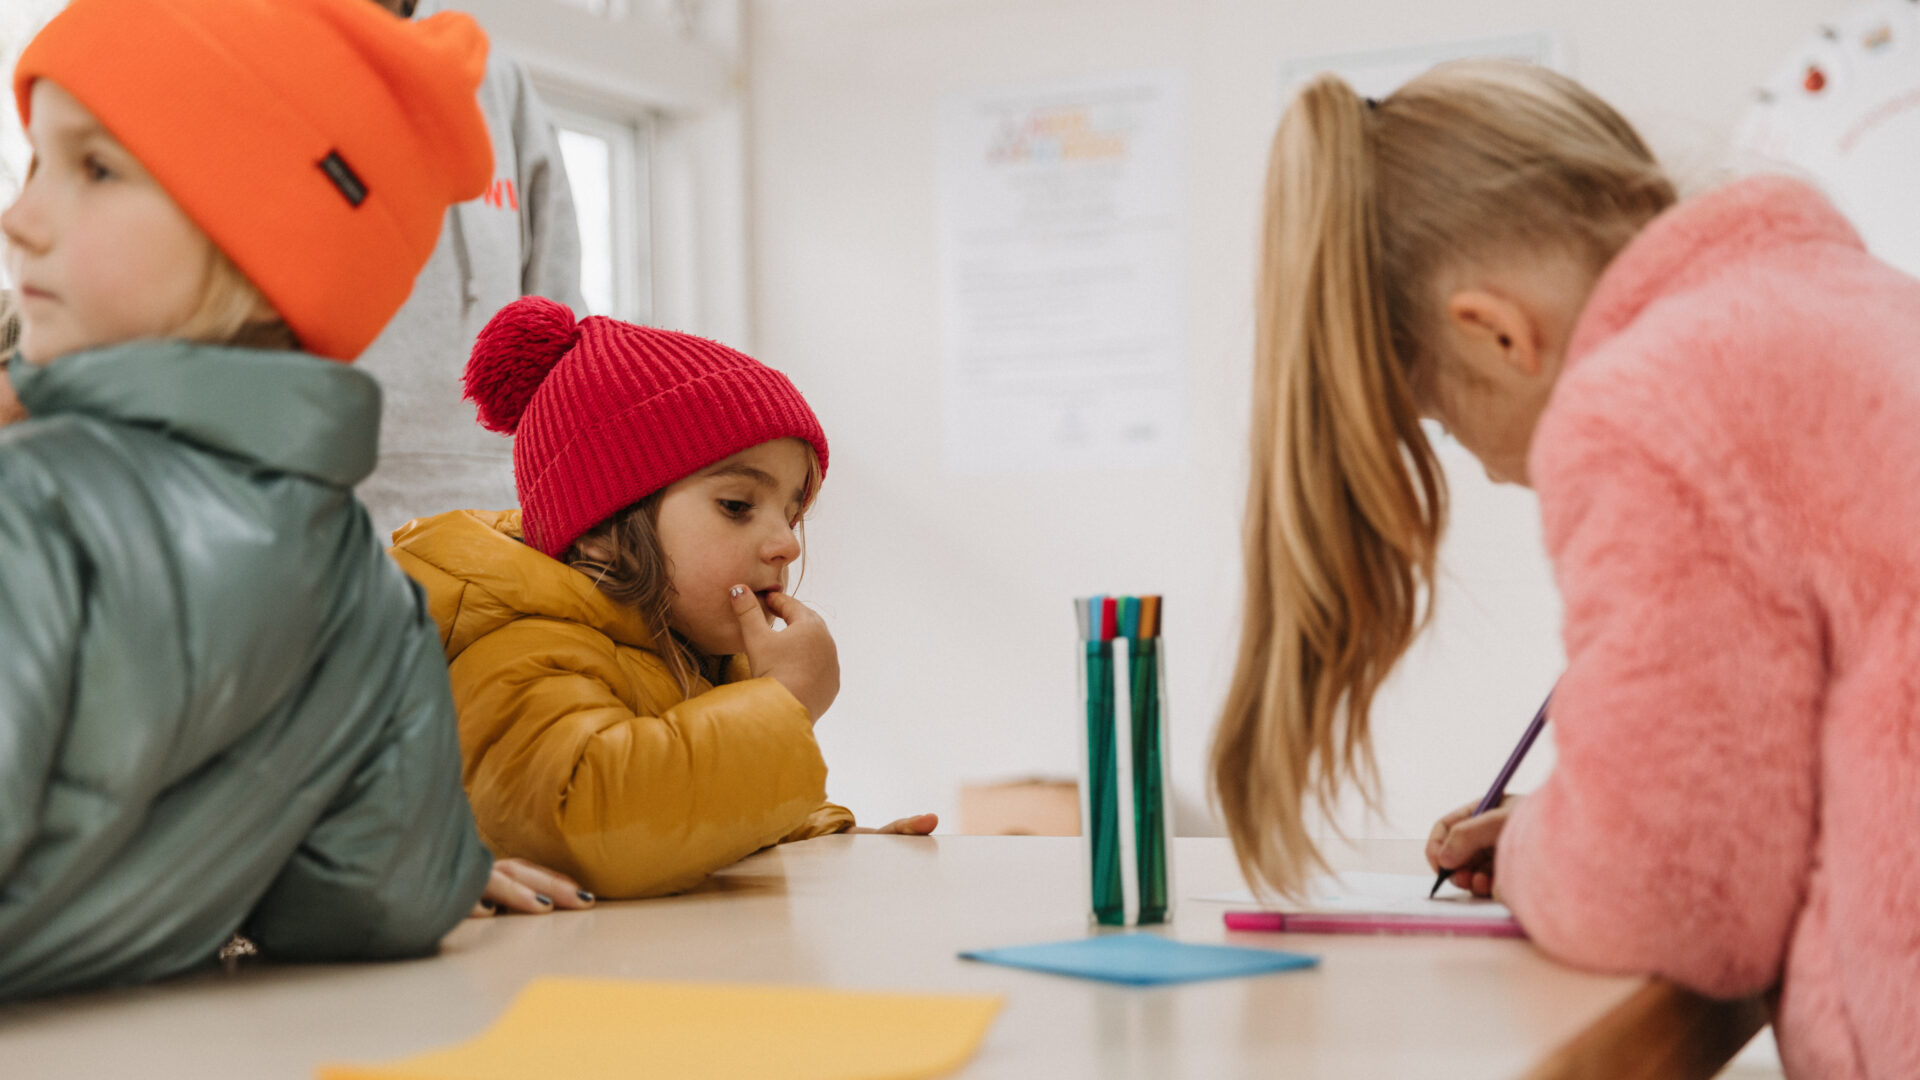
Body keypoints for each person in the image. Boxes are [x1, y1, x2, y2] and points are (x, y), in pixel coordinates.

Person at [1211, 60, 1920, 1078]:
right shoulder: (1837, 298)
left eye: (1443, 425)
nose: (1496, 472)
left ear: (1495, 331)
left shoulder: (1646, 406)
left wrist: (1538, 860)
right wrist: (1573, 821)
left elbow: (1677, 899)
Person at [0, 0, 573, 1000]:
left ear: (258, 246)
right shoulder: (370, 593)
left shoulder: (30, 510)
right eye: (37, 163)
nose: (18, 214)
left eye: (95, 168)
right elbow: (379, 898)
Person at [391, 297, 936, 900]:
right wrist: (784, 704)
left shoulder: (686, 651)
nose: (786, 544)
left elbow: (695, 811)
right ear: (600, 527)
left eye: (793, 513)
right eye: (737, 506)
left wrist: (828, 842)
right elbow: (588, 826)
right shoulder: (521, 645)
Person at [353, 0, 585, 541]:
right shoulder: (261, 51)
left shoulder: (496, 78)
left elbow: (557, 309)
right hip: (315, 502)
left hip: (496, 513)